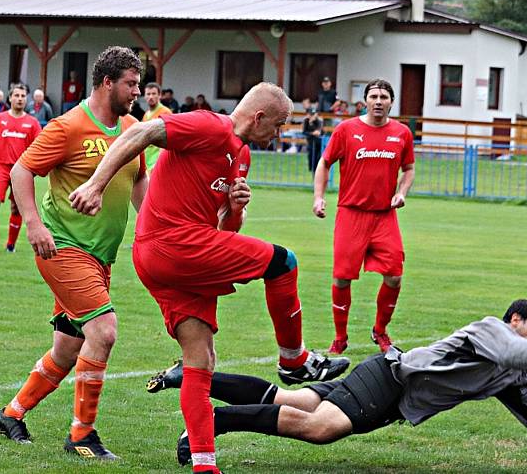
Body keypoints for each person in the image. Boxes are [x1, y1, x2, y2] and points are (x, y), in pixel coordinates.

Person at [69, 82, 350, 474]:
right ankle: (294, 361)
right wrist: (96, 183)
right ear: (259, 117)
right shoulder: (210, 126)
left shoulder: (241, 155)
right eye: (280, 125)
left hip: (176, 258)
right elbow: (141, 131)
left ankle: (204, 463)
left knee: (200, 360)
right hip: (172, 245)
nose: (280, 134)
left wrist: (234, 209)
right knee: (283, 262)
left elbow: (226, 231)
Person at [149, 300, 527, 466]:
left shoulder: (512, 375)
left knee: (296, 402)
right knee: (320, 428)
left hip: (392, 395)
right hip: (388, 379)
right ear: (516, 320)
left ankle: (192, 380)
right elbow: (519, 352)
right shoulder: (491, 329)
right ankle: (210, 422)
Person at [0, 47, 147, 460]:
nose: (137, 91)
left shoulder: (133, 128)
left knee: (67, 348)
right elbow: (22, 170)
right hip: (63, 248)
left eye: (138, 83)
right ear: (106, 82)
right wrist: (33, 224)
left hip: (102, 256)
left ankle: (12, 414)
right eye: (131, 83)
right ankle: (82, 436)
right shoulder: (69, 126)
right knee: (104, 331)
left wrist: (151, 228)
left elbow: (138, 181)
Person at [313, 79, 415, 355]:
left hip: (384, 216)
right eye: (374, 96)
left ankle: (380, 331)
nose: (379, 101)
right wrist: (319, 196)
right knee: (342, 278)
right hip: (351, 214)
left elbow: (409, 168)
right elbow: (324, 163)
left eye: (384, 96)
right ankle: (340, 338)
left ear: (391, 102)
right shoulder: (347, 130)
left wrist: (402, 192)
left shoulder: (402, 133)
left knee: (394, 276)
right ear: (365, 101)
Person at [0, 84, 41, 253]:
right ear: (10, 98)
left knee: (16, 208)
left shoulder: (32, 123)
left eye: (23, 96)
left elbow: (41, 147)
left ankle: (10, 246)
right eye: (17, 95)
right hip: (1, 167)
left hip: (22, 170)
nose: (20, 98)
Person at [141, 82, 172, 170]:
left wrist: (159, 163)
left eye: (154, 94)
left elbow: (168, 140)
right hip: (146, 159)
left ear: (160, 96)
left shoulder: (165, 112)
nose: (151, 97)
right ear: (145, 96)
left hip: (156, 162)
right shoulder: (146, 114)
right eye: (148, 94)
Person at [301, 98, 323, 173]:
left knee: (318, 157)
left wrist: (318, 132)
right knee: (311, 156)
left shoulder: (318, 121)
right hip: (310, 141)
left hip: (318, 142)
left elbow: (321, 131)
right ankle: (312, 170)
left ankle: (317, 170)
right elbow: (304, 132)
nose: (312, 116)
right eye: (311, 114)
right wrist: (312, 133)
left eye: (314, 114)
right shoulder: (306, 121)